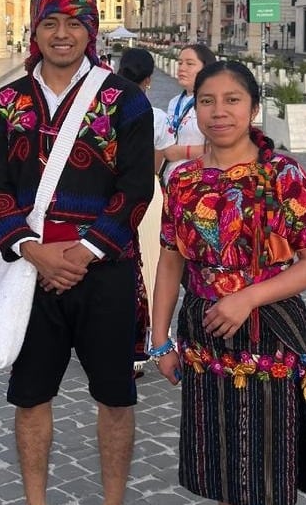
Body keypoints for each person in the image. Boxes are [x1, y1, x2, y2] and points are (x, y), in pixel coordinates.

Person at [0, 0, 154, 505]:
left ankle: (113, 500)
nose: (62, 34)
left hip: (103, 270)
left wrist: (86, 250)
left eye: (74, 23)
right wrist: (31, 248)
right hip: (32, 270)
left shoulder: (123, 98)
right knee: (31, 399)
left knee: (116, 399)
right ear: (35, 30)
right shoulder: (7, 101)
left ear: (91, 30)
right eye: (50, 23)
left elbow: (136, 185)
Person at [150, 61, 306, 505]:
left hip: (268, 328)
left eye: (232, 100)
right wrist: (159, 340)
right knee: (220, 461)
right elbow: (170, 262)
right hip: (204, 331)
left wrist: (246, 298)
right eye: (207, 101)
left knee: (267, 466)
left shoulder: (283, 175)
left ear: (252, 108)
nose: (219, 112)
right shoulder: (183, 181)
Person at [117, 48, 171, 373]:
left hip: (112, 195)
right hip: (149, 195)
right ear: (149, 79)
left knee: (118, 268)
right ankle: (147, 344)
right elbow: (156, 163)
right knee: (150, 271)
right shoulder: (158, 116)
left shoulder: (106, 110)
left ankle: (112, 340)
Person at [160, 43, 216, 187]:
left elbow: (226, 147)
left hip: (201, 184)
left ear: (206, 68)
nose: (182, 68)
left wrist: (182, 152)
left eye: (190, 63)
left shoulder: (214, 103)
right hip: (171, 183)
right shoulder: (174, 102)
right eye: (180, 63)